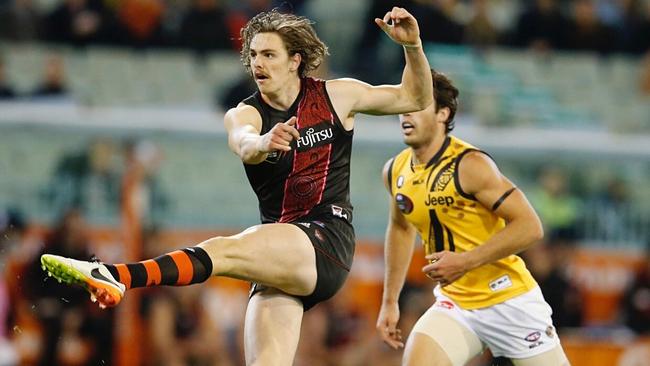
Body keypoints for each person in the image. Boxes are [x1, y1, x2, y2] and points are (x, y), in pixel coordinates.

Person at [40, 7, 433, 365]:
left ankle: (117, 276)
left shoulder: (336, 95)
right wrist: (263, 142)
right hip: (279, 259)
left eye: (269, 54)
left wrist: (413, 46)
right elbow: (244, 144)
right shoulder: (245, 113)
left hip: (326, 240)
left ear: (295, 60)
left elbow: (415, 96)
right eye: (254, 55)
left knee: (222, 249)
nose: (258, 63)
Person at [375, 70, 570, 365]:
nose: (406, 115)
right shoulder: (395, 170)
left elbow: (531, 227)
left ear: (443, 113)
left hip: (509, 300)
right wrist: (390, 302)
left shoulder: (471, 164)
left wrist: (465, 261)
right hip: (457, 303)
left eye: (417, 107)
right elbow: (401, 228)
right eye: (403, 107)